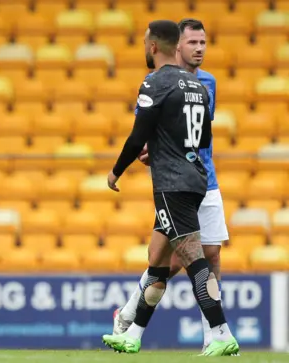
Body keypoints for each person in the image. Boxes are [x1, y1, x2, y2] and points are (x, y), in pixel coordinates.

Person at [101, 20, 239, 356]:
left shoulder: (158, 81)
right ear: (177, 45)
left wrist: (117, 171)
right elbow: (202, 137)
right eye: (193, 42)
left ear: (152, 46)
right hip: (195, 176)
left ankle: (219, 333)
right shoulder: (199, 87)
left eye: (204, 42)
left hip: (175, 181)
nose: (200, 48)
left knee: (195, 258)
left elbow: (139, 135)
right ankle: (133, 331)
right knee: (161, 260)